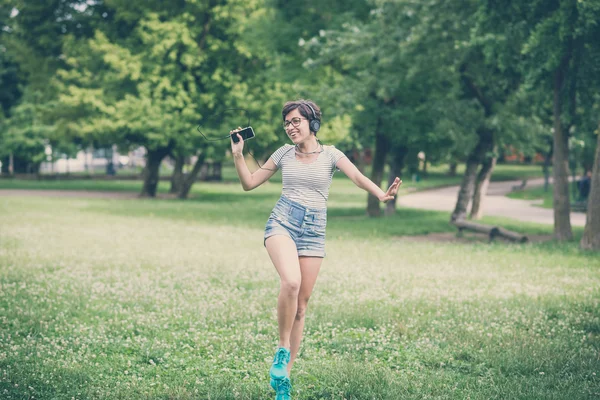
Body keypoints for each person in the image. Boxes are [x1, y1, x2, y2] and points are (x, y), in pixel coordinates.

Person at [230, 100, 401, 400]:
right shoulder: (283, 153)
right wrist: (238, 156)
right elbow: (250, 183)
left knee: (302, 307)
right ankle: (282, 350)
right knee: (291, 283)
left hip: (314, 229)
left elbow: (358, 177)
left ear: (313, 123)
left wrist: (381, 194)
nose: (290, 127)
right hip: (283, 221)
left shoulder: (332, 154)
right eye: (287, 123)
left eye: (296, 121)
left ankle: (284, 377)